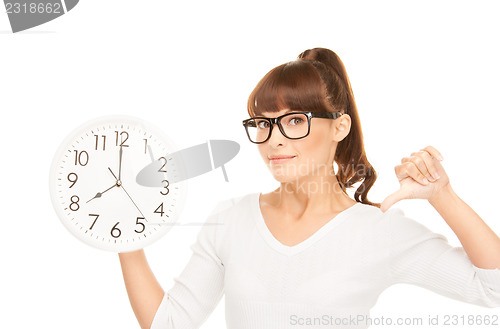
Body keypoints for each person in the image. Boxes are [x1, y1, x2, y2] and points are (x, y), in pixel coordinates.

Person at [118, 48, 500, 329]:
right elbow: (169, 324)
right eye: (263, 123)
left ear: (339, 127)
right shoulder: (231, 219)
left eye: (294, 120)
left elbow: (494, 291)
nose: (273, 140)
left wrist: (442, 197)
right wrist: (122, 233)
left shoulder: (378, 231)